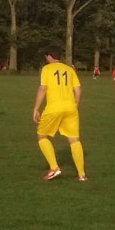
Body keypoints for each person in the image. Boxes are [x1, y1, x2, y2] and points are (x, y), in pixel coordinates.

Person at [33, 50, 86, 181]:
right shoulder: (69, 69)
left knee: (42, 136)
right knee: (74, 139)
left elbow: (43, 88)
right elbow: (78, 90)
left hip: (54, 108)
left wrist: (36, 108)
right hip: (71, 108)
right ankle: (81, 174)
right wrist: (75, 106)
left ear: (49, 57)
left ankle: (54, 168)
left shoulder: (47, 69)